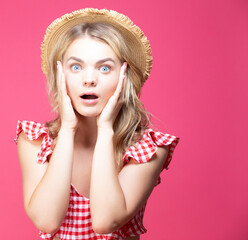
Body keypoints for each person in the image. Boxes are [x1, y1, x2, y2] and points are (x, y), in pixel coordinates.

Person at [15, 8, 180, 240]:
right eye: (76, 67)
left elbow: (105, 221)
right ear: (60, 75)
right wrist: (67, 130)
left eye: (104, 68)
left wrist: (105, 131)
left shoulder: (148, 149)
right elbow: (47, 220)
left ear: (125, 78)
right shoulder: (34, 141)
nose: (89, 79)